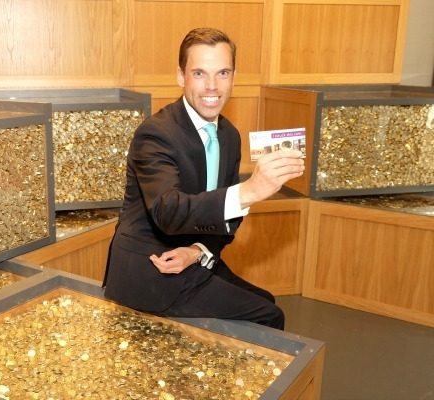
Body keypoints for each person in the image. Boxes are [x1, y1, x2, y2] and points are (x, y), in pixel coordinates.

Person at [102, 27, 304, 330]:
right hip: (150, 268)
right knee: (269, 316)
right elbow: (168, 211)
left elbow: (225, 217)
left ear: (234, 77)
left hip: (191, 255)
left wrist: (197, 250)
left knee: (267, 301)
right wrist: (249, 191)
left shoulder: (230, 135)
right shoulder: (155, 133)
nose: (212, 86)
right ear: (181, 77)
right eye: (199, 74)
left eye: (223, 73)